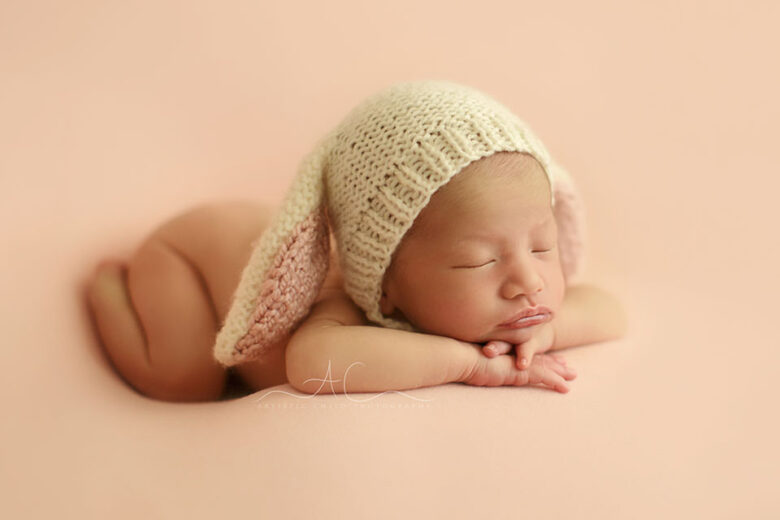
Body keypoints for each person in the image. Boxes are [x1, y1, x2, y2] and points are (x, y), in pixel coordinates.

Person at [85, 80, 627, 402]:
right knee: (184, 381)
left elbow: (606, 308)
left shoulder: (518, 302)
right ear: (386, 287)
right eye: (479, 261)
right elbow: (309, 361)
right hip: (190, 260)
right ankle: (109, 286)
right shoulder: (345, 311)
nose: (529, 281)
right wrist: (469, 363)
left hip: (239, 233)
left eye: (541, 246)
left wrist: (551, 331)